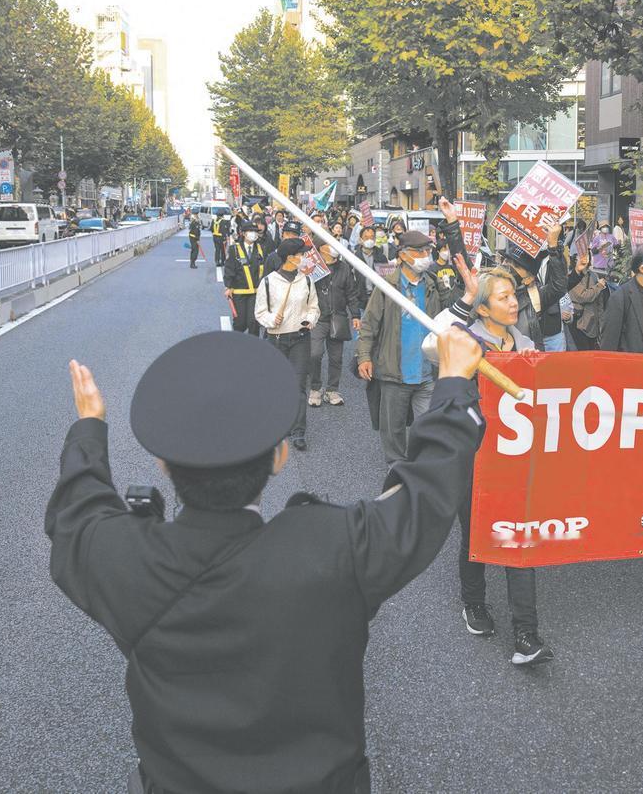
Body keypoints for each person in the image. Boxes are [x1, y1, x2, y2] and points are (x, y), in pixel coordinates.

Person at [47, 327, 485, 794]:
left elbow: (76, 513)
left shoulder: (126, 561)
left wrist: (89, 427)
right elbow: (426, 494)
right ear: (279, 458)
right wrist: (453, 386)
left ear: (163, 464)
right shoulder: (336, 547)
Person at [422, 253, 554, 665]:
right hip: (473, 456)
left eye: (514, 295)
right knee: (475, 534)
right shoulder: (463, 340)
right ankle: (474, 602)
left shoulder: (526, 344)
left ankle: (526, 635)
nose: (514, 302)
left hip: (516, 458)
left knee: (519, 537)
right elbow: (430, 345)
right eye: (503, 297)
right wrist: (462, 302)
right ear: (482, 308)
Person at [356, 230, 445, 463]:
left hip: (427, 372)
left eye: (428, 251)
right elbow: (369, 324)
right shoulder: (387, 286)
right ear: (404, 255)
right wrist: (364, 356)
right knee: (393, 428)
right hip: (395, 371)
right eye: (420, 251)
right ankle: (396, 467)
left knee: (427, 426)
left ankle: (422, 467)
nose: (426, 256)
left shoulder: (432, 285)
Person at [254, 238, 319, 451]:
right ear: (290, 257)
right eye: (302, 254)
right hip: (276, 339)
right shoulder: (268, 282)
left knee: (299, 386)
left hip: (300, 338)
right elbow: (260, 312)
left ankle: (298, 431)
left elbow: (313, 307)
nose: (305, 257)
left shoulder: (306, 280)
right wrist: (272, 320)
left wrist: (310, 320)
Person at [309, 239, 364, 407]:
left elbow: (351, 293)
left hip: (338, 317)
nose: (334, 248)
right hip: (317, 318)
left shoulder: (344, 268)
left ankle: (332, 389)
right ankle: (315, 387)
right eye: (329, 244)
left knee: (336, 357)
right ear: (321, 248)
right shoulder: (312, 267)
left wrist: (355, 315)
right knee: (315, 354)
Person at [500, 221, 568, 352]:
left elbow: (559, 286)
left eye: (516, 266)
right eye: (507, 260)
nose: (507, 267)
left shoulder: (536, 297)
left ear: (529, 279)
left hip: (525, 359)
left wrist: (553, 248)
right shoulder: (487, 289)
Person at [224, 221, 271, 335]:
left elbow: (266, 269)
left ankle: (253, 345)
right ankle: (237, 343)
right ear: (244, 233)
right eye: (251, 231)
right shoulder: (234, 249)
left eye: (255, 231)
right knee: (240, 323)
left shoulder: (262, 249)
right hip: (239, 292)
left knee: (253, 322)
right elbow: (229, 268)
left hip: (256, 293)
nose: (254, 234)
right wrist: (228, 286)